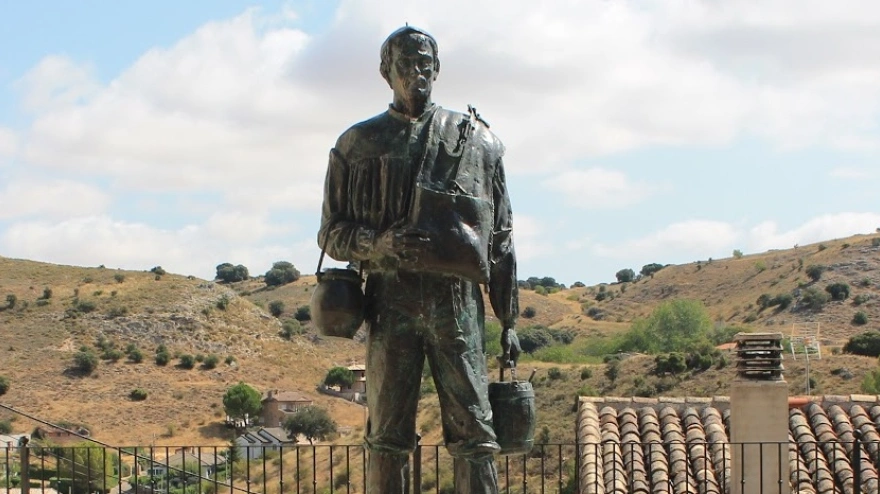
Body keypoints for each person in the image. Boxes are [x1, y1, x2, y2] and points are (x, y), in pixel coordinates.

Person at [317, 25, 520, 494]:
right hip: (390, 300)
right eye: (406, 63)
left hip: (458, 304)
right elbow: (331, 232)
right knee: (387, 434)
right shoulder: (356, 145)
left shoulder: (478, 142)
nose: (417, 72)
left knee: (475, 432)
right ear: (386, 72)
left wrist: (508, 320)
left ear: (438, 68)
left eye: (425, 62)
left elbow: (502, 240)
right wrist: (378, 244)